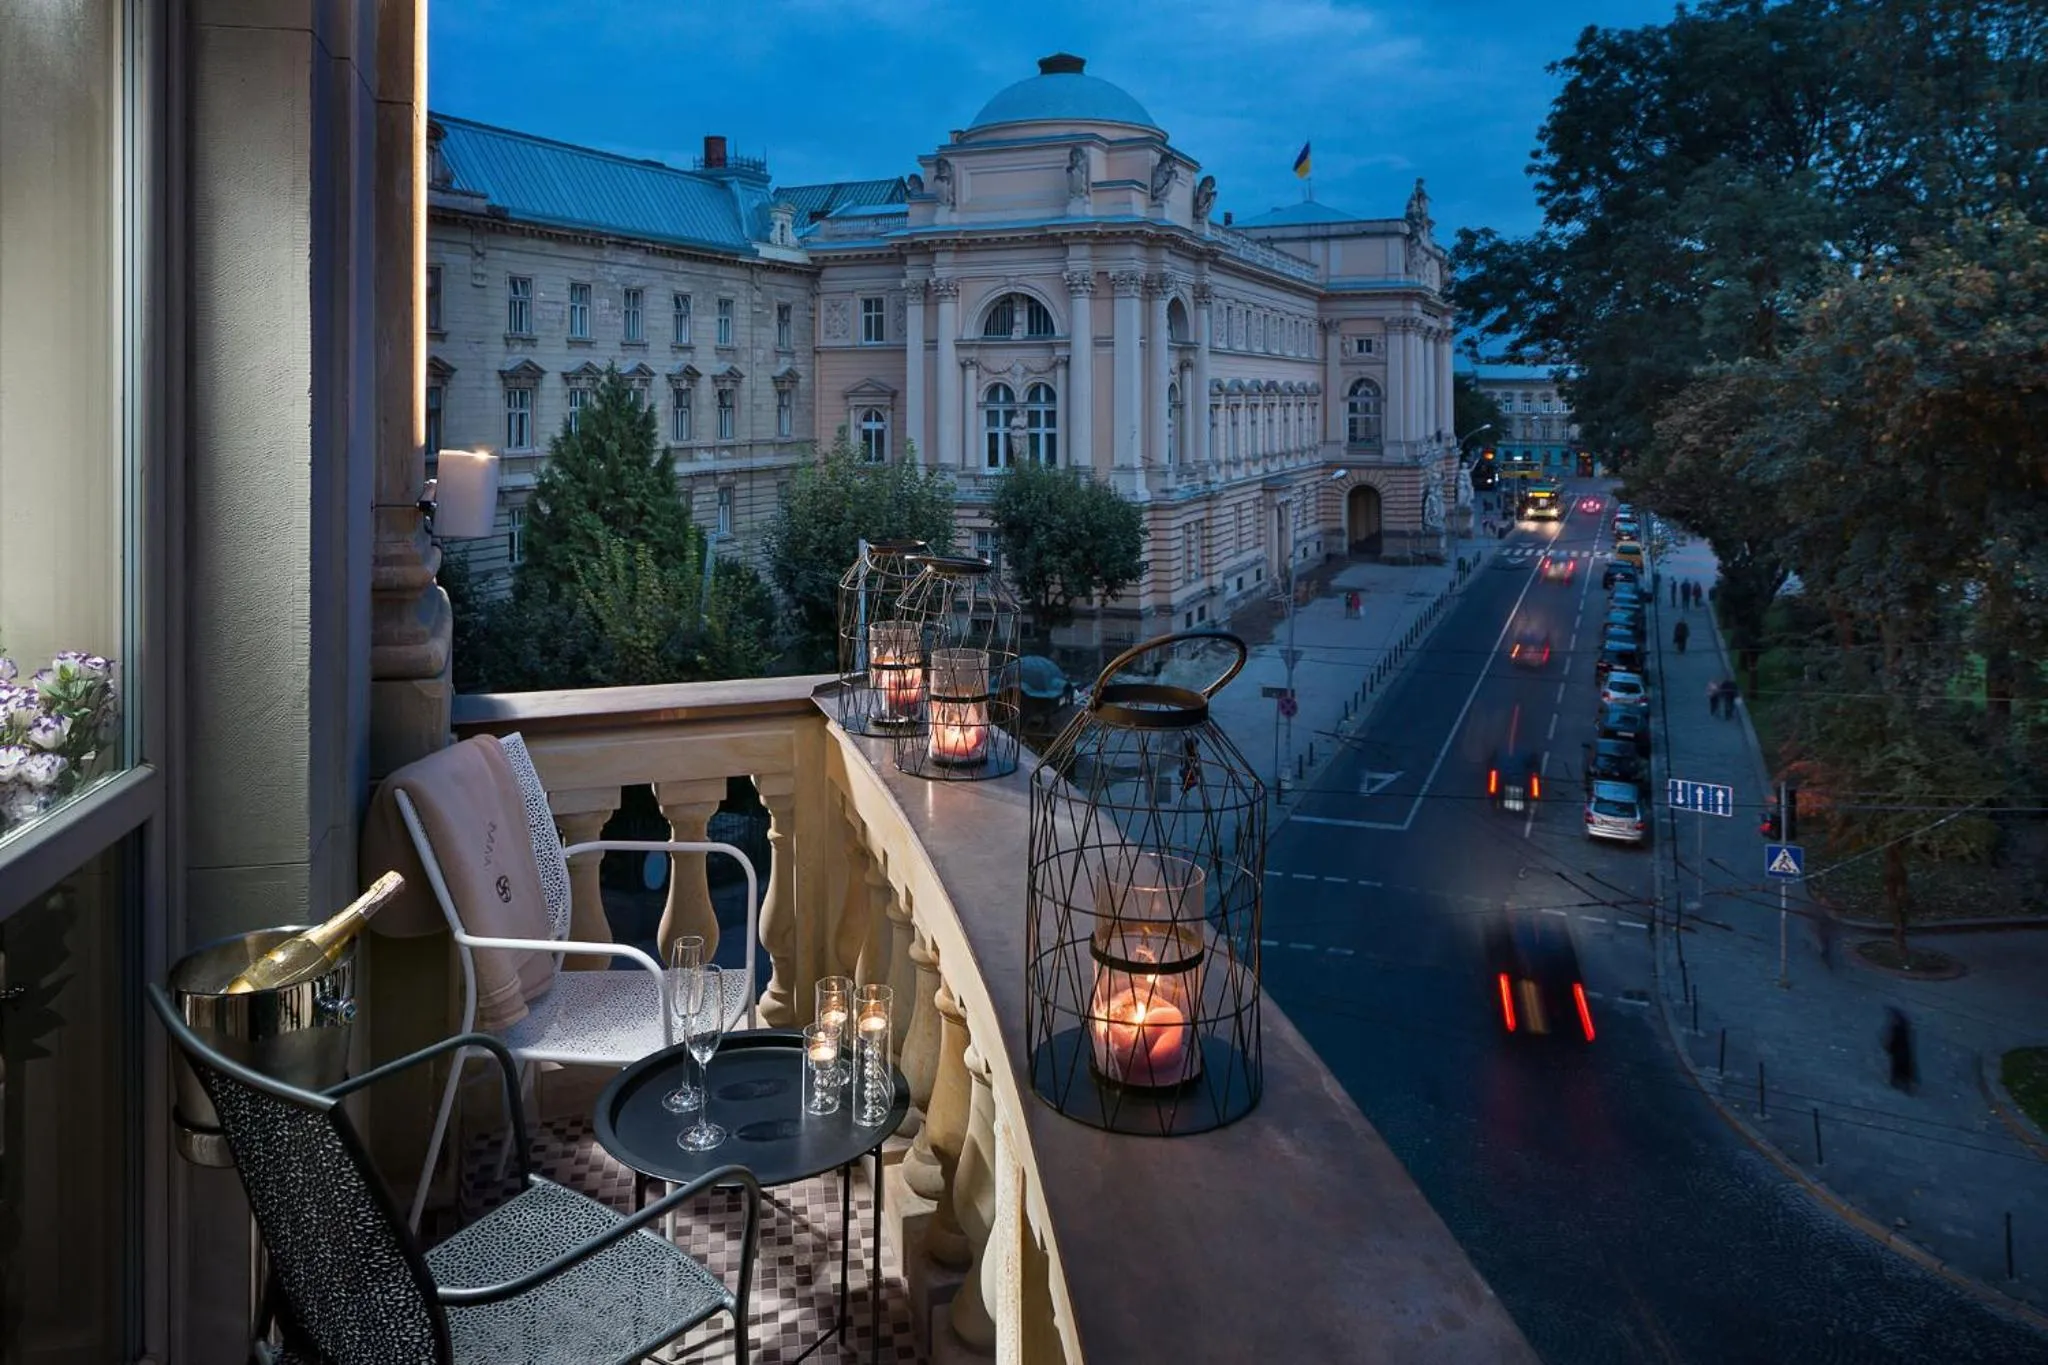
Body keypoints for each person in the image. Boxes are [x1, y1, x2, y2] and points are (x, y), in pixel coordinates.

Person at [1884, 1008, 1918, 1093]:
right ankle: (1904, 1083)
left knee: (1900, 1066)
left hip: (1899, 1052)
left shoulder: (1899, 1029)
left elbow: (1895, 1040)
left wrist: (1890, 1046)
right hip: (1900, 1052)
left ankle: (1901, 1083)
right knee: (1902, 1066)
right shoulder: (1901, 1029)